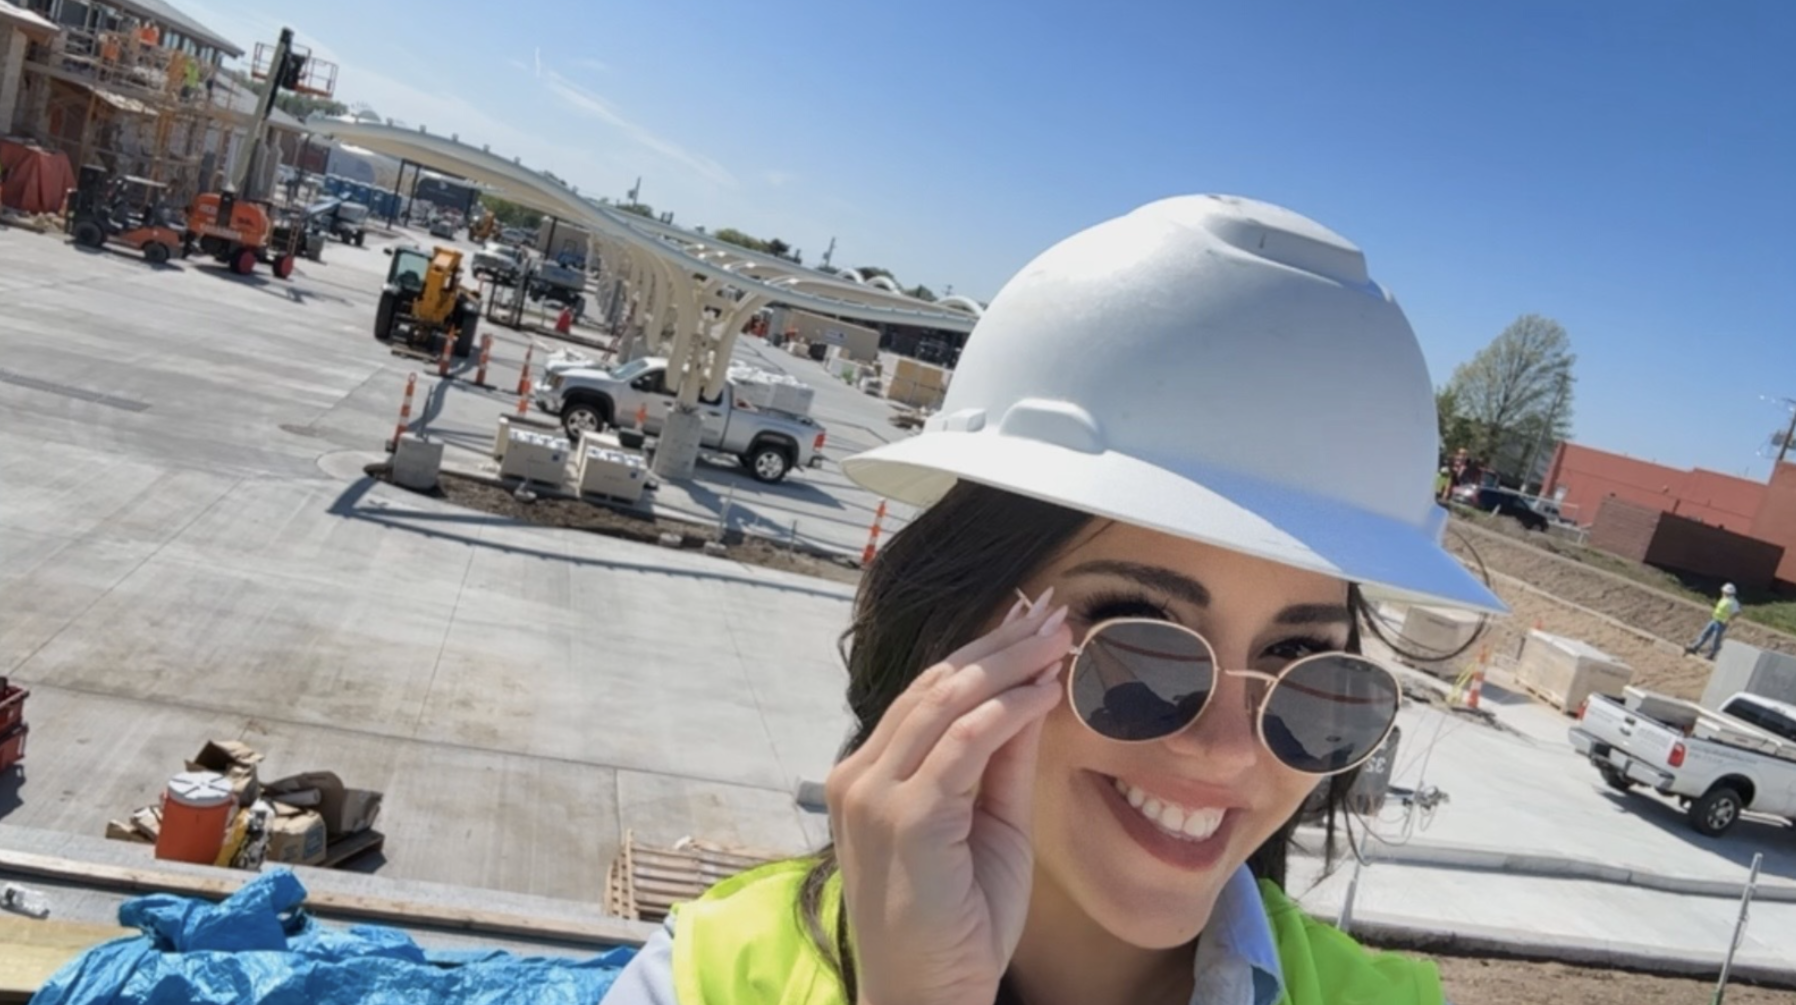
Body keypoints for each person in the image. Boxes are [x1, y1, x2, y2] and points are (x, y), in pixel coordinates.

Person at [603, 195, 1506, 1005]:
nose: (1227, 749)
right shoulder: (711, 980)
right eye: (1139, 645)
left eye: (1303, 668)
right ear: (955, 630)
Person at [1684, 583, 1740, 660]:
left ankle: (1711, 654)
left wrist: (1728, 620)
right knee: (1704, 634)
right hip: (1715, 620)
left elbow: (1736, 613)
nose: (1722, 592)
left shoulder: (1733, 602)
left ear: (1727, 592)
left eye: (1724, 591)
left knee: (1715, 639)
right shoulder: (1724, 599)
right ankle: (1695, 647)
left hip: (1721, 623)